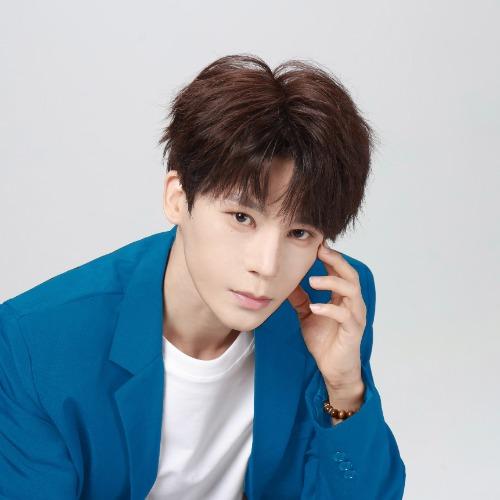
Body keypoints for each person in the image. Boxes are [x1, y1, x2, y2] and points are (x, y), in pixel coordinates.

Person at [0, 54, 406, 499]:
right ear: (177, 198)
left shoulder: (328, 303)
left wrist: (345, 389)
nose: (267, 266)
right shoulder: (36, 343)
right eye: (242, 218)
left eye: (299, 232)